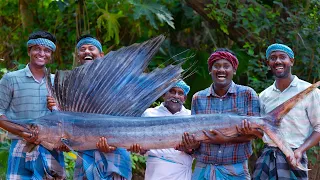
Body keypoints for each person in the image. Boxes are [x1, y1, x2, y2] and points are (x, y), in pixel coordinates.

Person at [47, 34, 132, 180]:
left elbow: (127, 117)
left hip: (115, 158)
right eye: (82, 49)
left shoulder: (116, 81)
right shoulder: (70, 85)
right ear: (78, 56)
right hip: (86, 158)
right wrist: (54, 108)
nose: (87, 52)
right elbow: (67, 123)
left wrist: (115, 143)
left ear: (101, 55)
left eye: (91, 48)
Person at [182, 48, 262, 179]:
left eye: (226, 66)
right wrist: (190, 144)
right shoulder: (198, 98)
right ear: (210, 70)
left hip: (235, 169)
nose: (221, 70)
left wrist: (226, 139)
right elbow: (195, 135)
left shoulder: (247, 94)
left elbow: (258, 133)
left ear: (234, 70)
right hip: (203, 168)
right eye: (216, 66)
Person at [0, 30, 66, 179]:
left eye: (47, 50)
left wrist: (57, 108)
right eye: (37, 48)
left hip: (51, 148)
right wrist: (21, 132)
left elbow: (67, 117)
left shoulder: (57, 82)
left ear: (51, 55)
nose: (41, 53)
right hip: (20, 146)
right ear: (29, 50)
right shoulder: (11, 79)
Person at [252, 43, 320, 180]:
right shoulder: (264, 96)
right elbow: (261, 131)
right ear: (268, 63)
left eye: (283, 57)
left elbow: (319, 127)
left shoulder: (309, 91)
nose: (278, 61)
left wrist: (300, 150)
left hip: (294, 157)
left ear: (292, 61)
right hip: (267, 157)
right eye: (273, 58)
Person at [132, 80, 193, 180]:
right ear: (164, 94)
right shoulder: (149, 114)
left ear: (185, 98)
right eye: (172, 91)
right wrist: (139, 149)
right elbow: (141, 146)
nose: (176, 96)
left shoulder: (191, 116)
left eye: (180, 93)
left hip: (182, 172)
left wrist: (188, 149)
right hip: (156, 171)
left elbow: (197, 148)